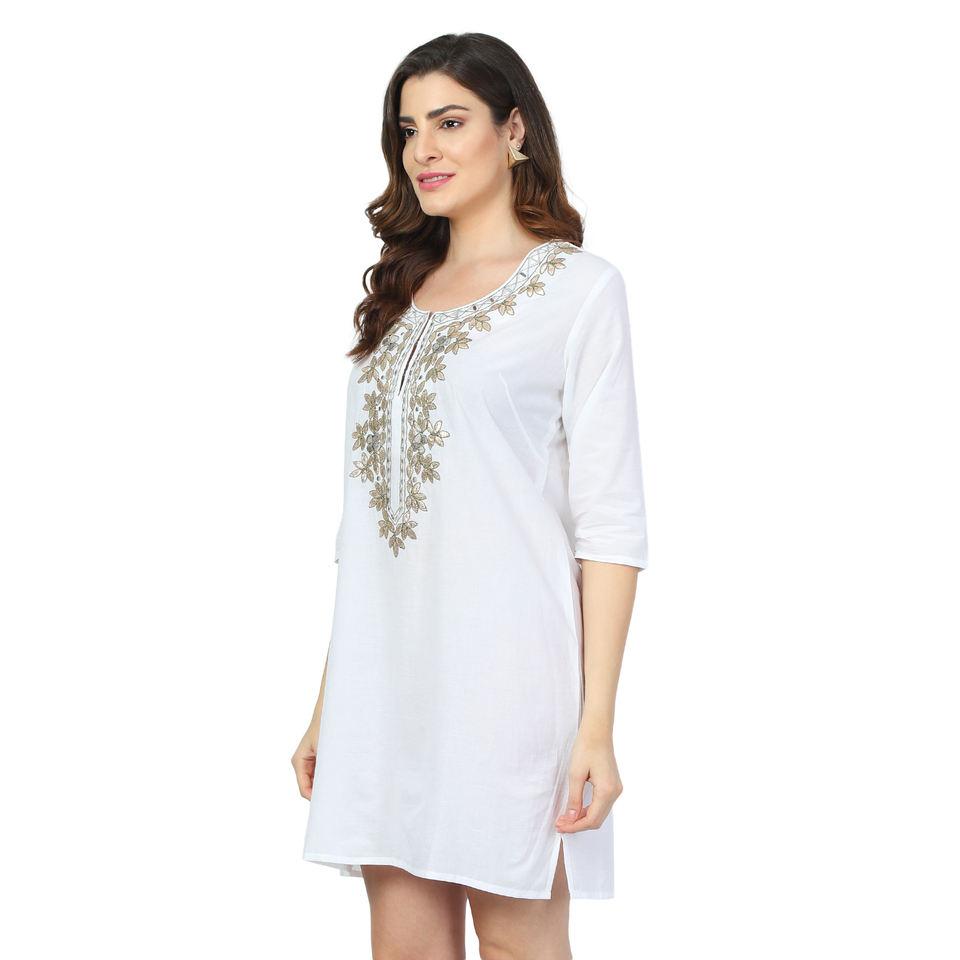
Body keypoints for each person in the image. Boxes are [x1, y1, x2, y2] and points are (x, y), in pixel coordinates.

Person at [291, 32, 649, 959]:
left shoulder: (578, 292)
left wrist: (597, 727)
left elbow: (610, 524)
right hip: (383, 684)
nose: (424, 150)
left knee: (520, 940)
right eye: (408, 130)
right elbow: (364, 532)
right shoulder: (397, 301)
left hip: (508, 682)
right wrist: (330, 702)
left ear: (514, 130)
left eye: (450, 123)